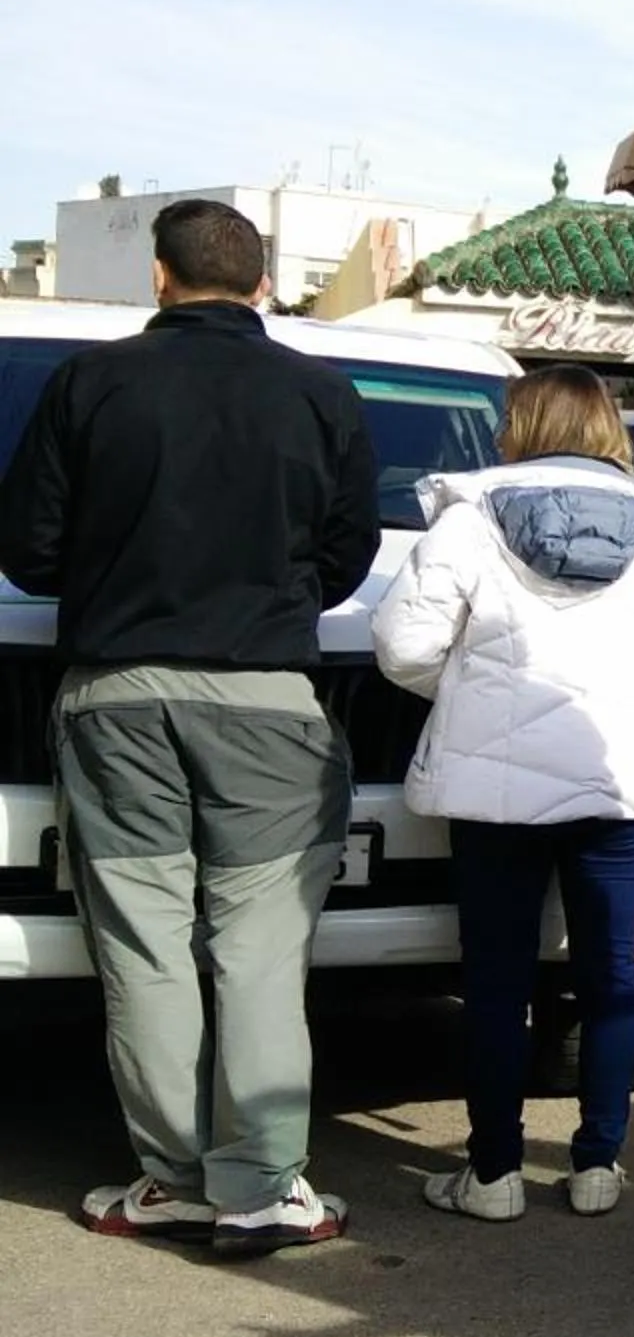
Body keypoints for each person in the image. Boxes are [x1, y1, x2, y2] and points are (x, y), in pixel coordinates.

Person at [0, 199, 376, 1254]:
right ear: (261, 283)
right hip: (266, 696)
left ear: (158, 278)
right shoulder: (321, 393)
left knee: (146, 941)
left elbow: (28, 549)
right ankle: (260, 1182)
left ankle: (167, 1179)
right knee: (258, 949)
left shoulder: (89, 383)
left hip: (116, 694)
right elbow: (345, 560)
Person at [371, 365, 634, 1222]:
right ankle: (596, 1167)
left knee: (496, 981)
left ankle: (493, 1175)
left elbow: (403, 646)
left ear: (521, 425)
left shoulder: (470, 521)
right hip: (618, 784)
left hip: (494, 796)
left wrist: (475, 690)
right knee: (612, 980)